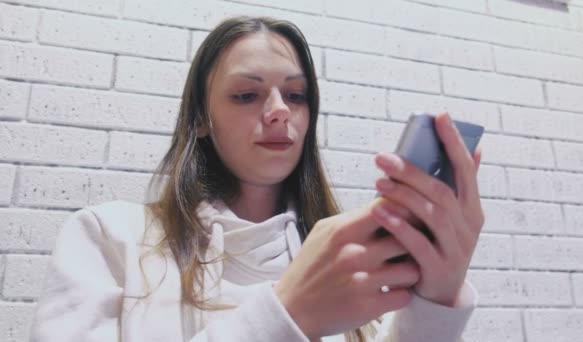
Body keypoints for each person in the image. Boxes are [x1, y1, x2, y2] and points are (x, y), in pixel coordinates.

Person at [30, 16, 484, 342]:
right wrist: (287, 314)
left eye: (296, 95)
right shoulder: (109, 237)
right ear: (201, 120)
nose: (280, 110)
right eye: (247, 94)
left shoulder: (350, 261)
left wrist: (435, 307)